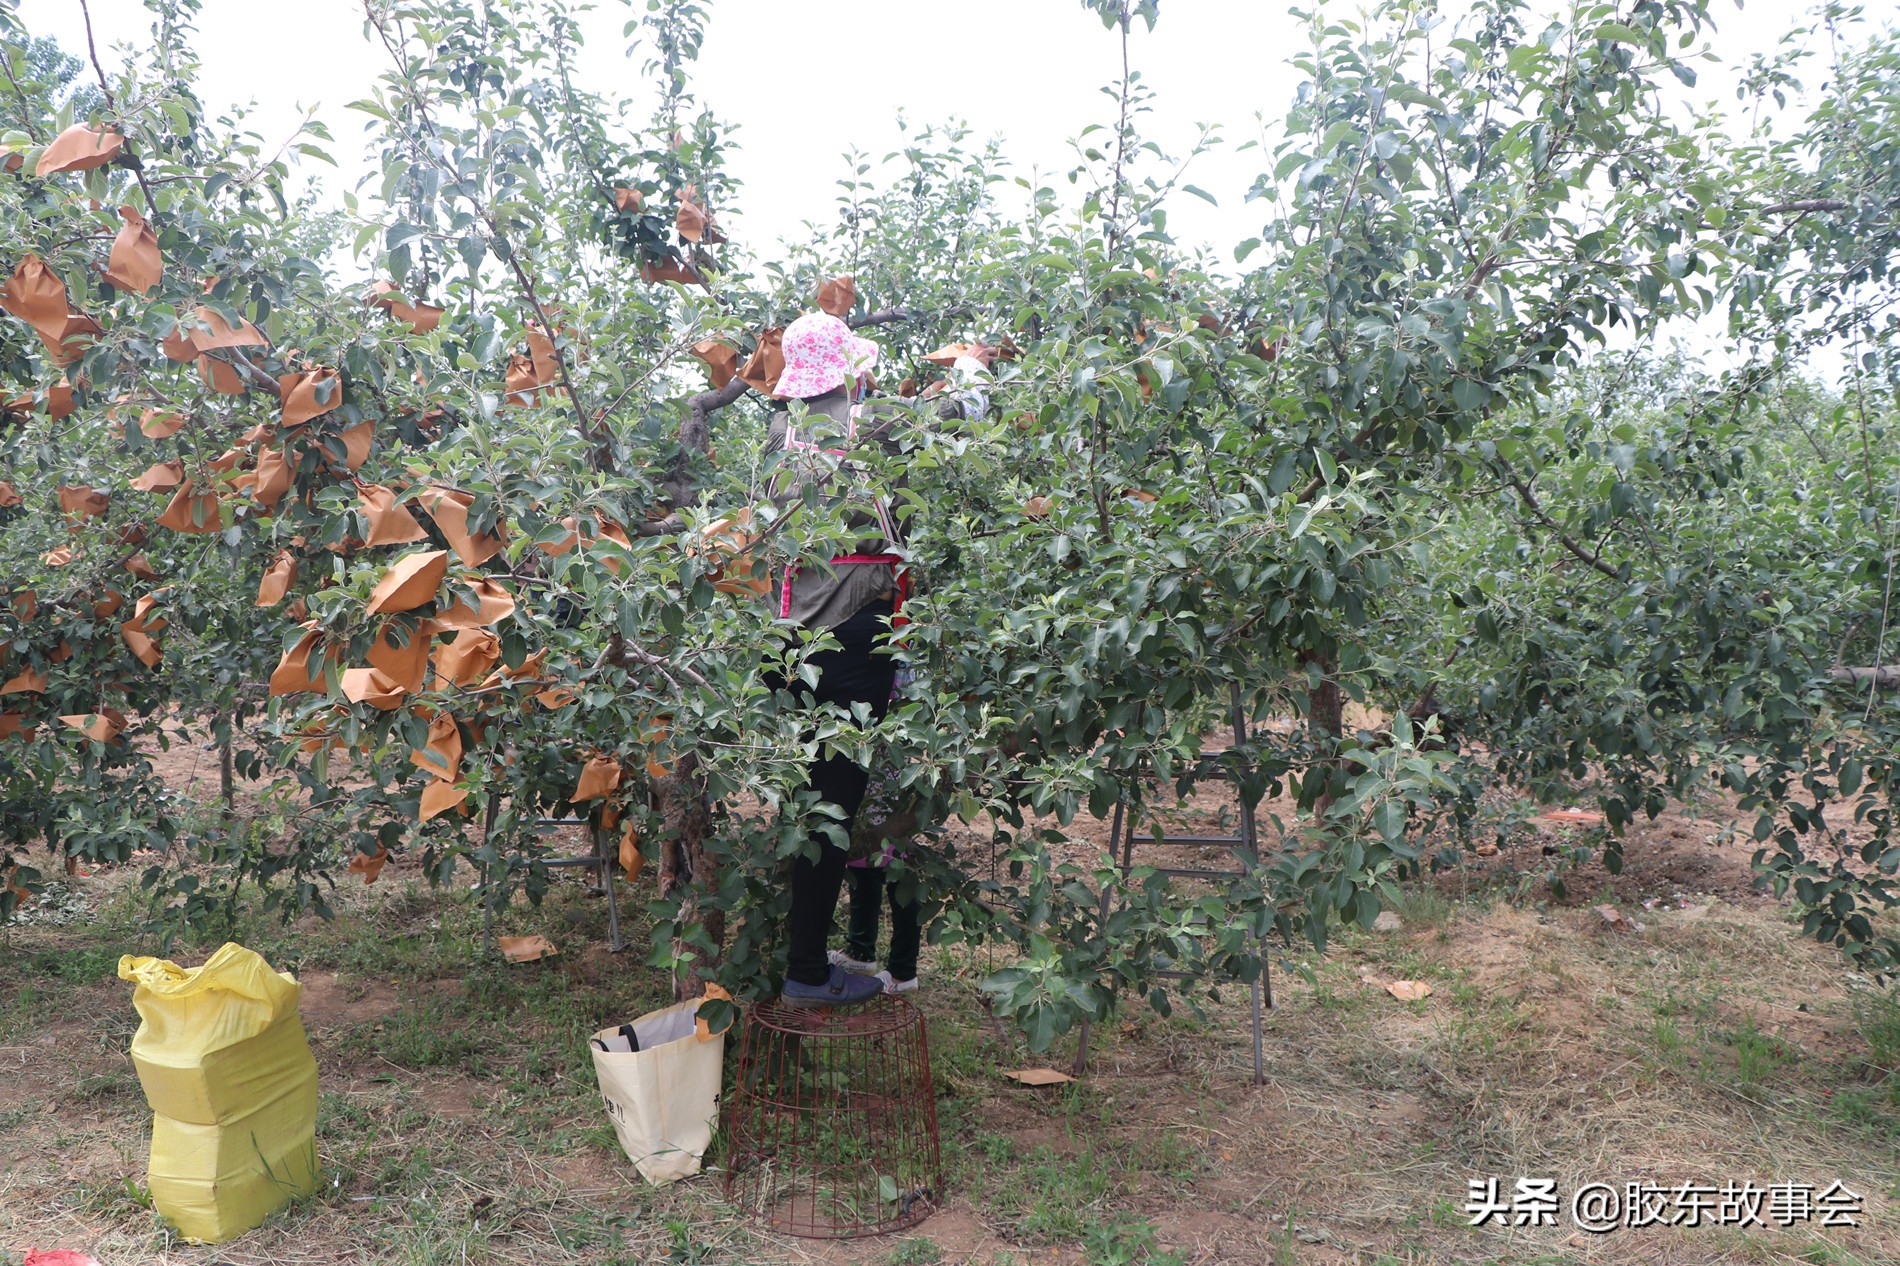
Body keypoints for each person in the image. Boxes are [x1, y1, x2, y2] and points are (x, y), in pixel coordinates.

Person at [765, 311, 985, 1007]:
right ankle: (806, 972)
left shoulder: (779, 436)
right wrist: (972, 364)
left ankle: (797, 950)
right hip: (854, 640)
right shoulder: (872, 424)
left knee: (805, 800)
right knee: (834, 807)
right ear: (847, 370)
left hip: (786, 642)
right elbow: (964, 412)